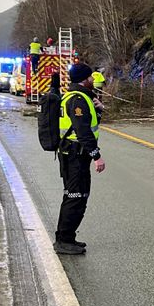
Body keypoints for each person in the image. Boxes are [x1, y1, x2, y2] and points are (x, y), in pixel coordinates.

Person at [54, 63, 105, 255]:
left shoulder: (80, 97)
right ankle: (63, 240)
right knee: (74, 197)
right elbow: (83, 131)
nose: (94, 80)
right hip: (74, 154)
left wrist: (100, 110)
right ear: (85, 79)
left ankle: (68, 237)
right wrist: (97, 156)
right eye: (91, 77)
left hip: (76, 155)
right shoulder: (77, 100)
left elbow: (89, 124)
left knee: (79, 196)